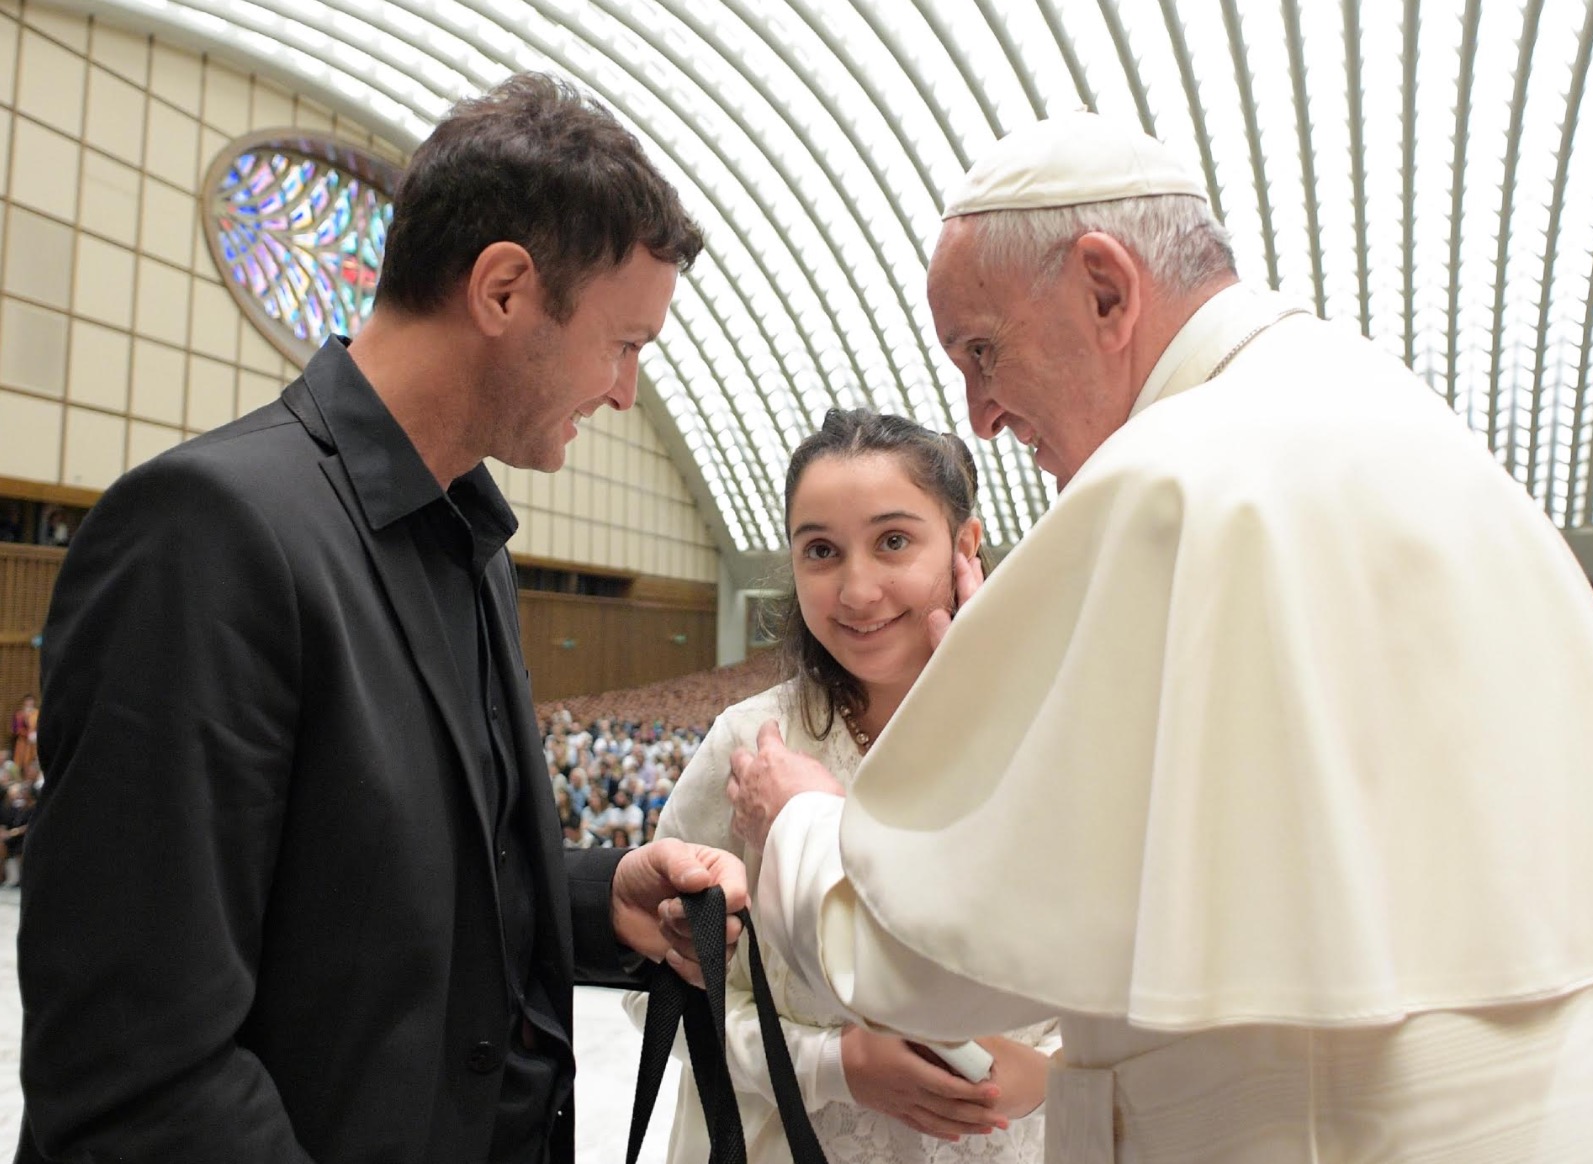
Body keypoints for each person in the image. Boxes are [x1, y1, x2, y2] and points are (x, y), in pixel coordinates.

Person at [726, 112, 1593, 1162]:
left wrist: (804, 826)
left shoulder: (1170, 481)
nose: (981, 414)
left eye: (983, 350)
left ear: (1105, 289)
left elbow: (932, 962)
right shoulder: (1385, 408)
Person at [18, 73, 747, 1164]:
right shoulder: (209, 534)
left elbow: (377, 888)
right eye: (624, 343)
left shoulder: (466, 539)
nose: (623, 392)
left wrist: (599, 899)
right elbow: (140, 1064)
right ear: (504, 290)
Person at [641, 410, 1056, 1164]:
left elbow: (1140, 971)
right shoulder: (751, 744)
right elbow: (657, 992)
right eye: (822, 551)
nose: (858, 591)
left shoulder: (1054, 731)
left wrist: (1052, 1075)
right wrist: (832, 1066)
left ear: (965, 545)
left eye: (893, 541)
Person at [9, 694, 36, 774]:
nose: (30, 703)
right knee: (21, 762)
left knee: (33, 761)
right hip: (23, 742)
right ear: (24, 702)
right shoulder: (20, 714)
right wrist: (27, 735)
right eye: (28, 701)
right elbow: (16, 729)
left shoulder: (38, 713)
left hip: (35, 743)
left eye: (31, 700)